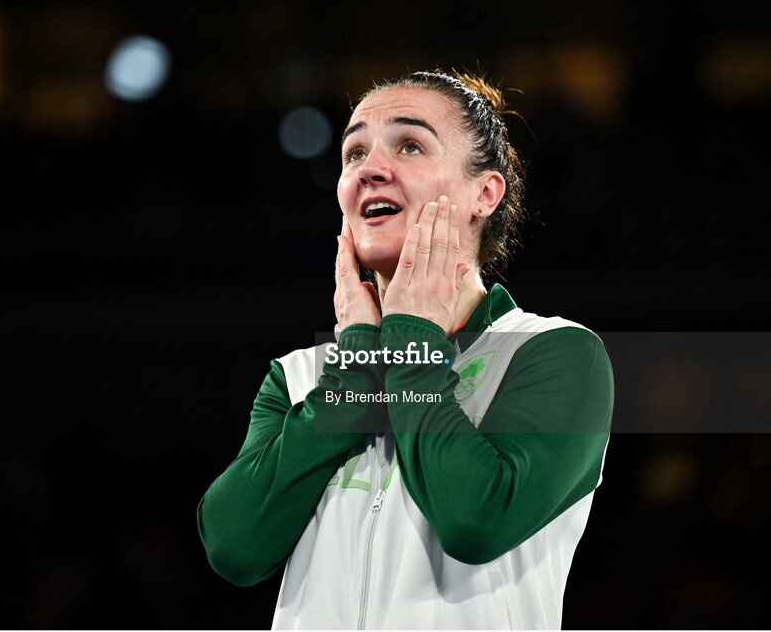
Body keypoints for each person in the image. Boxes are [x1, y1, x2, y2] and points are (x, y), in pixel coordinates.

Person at [197, 70, 613, 629]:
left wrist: (410, 342)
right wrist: (357, 370)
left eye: (410, 144)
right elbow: (234, 548)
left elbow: (475, 522)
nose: (369, 168)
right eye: (354, 153)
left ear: (484, 194)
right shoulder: (300, 376)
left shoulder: (552, 354)